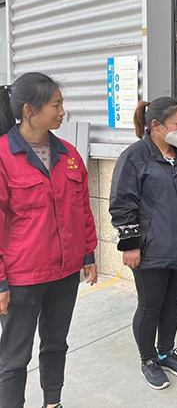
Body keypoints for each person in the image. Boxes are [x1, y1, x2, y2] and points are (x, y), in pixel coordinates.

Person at [0, 73, 98, 408]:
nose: (62, 112)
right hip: (22, 277)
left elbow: (82, 208)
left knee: (56, 344)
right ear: (29, 110)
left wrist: (87, 253)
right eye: (55, 105)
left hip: (64, 272)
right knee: (15, 356)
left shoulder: (68, 153)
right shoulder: (3, 156)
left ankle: (52, 403)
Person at [110, 97, 177, 390]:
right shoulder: (135, 157)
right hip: (151, 249)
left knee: (173, 303)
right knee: (150, 306)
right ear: (156, 125)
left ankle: (166, 352)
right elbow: (122, 203)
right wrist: (130, 244)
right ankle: (148, 359)